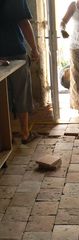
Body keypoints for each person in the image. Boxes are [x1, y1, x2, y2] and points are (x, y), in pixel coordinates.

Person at [0, 0, 40, 144]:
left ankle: (6, 137)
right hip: (15, 52)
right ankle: (24, 134)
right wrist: (34, 49)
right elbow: (24, 23)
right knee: (22, 93)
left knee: (3, 98)